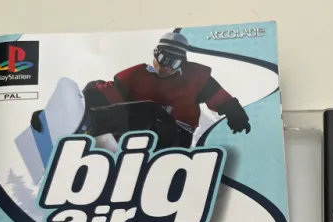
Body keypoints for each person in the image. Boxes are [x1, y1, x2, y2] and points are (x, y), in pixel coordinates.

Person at [31, 32, 250, 148]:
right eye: (162, 59)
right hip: (134, 133)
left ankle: (89, 126)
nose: (165, 67)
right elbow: (106, 93)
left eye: (173, 63)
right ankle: (82, 126)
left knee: (151, 111)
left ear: (182, 63)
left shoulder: (196, 78)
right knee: (94, 87)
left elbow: (223, 100)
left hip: (173, 137)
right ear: (155, 54)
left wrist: (236, 114)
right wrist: (58, 115)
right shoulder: (137, 75)